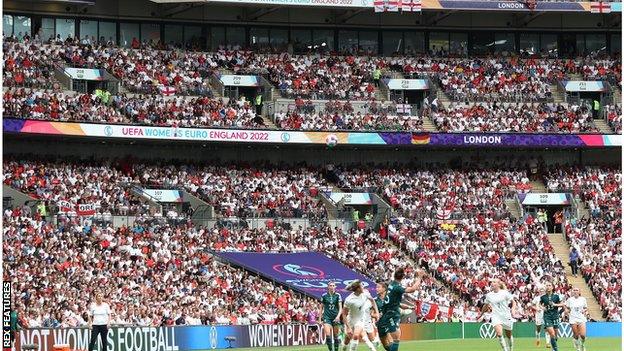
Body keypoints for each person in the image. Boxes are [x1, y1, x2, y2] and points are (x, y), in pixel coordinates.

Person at [377, 267, 424, 351]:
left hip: (385, 314)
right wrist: (419, 277)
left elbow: (397, 303)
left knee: (386, 342)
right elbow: (412, 289)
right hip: (391, 314)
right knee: (396, 337)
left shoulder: (392, 284)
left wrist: (409, 307)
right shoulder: (397, 288)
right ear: (402, 277)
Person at [342, 281, 379, 351]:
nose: (363, 287)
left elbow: (372, 301)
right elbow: (344, 314)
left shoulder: (365, 293)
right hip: (350, 319)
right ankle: (344, 347)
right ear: (358, 289)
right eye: (362, 286)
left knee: (356, 335)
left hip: (360, 319)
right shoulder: (349, 300)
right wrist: (348, 327)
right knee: (347, 338)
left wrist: (377, 312)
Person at [483, 279, 516, 351]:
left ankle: (511, 349)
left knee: (508, 335)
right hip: (496, 316)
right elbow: (485, 306)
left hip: (506, 316)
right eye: (491, 282)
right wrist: (481, 314)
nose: (492, 283)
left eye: (494, 282)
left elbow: (513, 302)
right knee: (499, 334)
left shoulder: (505, 293)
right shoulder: (489, 295)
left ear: (498, 284)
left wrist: (513, 309)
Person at [540, 282, 565, 351]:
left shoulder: (556, 296)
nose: (548, 287)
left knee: (555, 336)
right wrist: (542, 308)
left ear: (552, 287)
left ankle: (553, 346)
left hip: (555, 316)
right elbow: (539, 304)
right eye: (547, 285)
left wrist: (555, 305)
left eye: (549, 285)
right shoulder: (543, 297)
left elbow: (562, 304)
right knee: (552, 333)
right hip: (547, 316)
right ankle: (555, 349)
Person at [321, 282, 343, 351]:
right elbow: (321, 308)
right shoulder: (324, 296)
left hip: (335, 317)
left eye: (333, 285)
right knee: (328, 335)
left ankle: (336, 350)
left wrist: (338, 316)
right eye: (330, 285)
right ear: (328, 287)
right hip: (327, 317)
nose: (332, 287)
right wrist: (319, 318)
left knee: (336, 336)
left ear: (335, 287)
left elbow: (340, 308)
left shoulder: (338, 295)